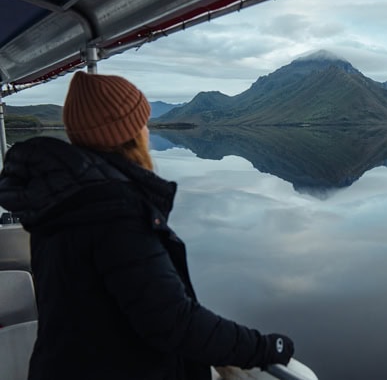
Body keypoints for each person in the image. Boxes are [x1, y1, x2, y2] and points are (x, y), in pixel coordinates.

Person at [0, 71, 294, 380]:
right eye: (142, 122)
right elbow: (174, 321)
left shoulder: (60, 200)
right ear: (128, 133)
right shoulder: (113, 213)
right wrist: (265, 347)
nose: (146, 131)